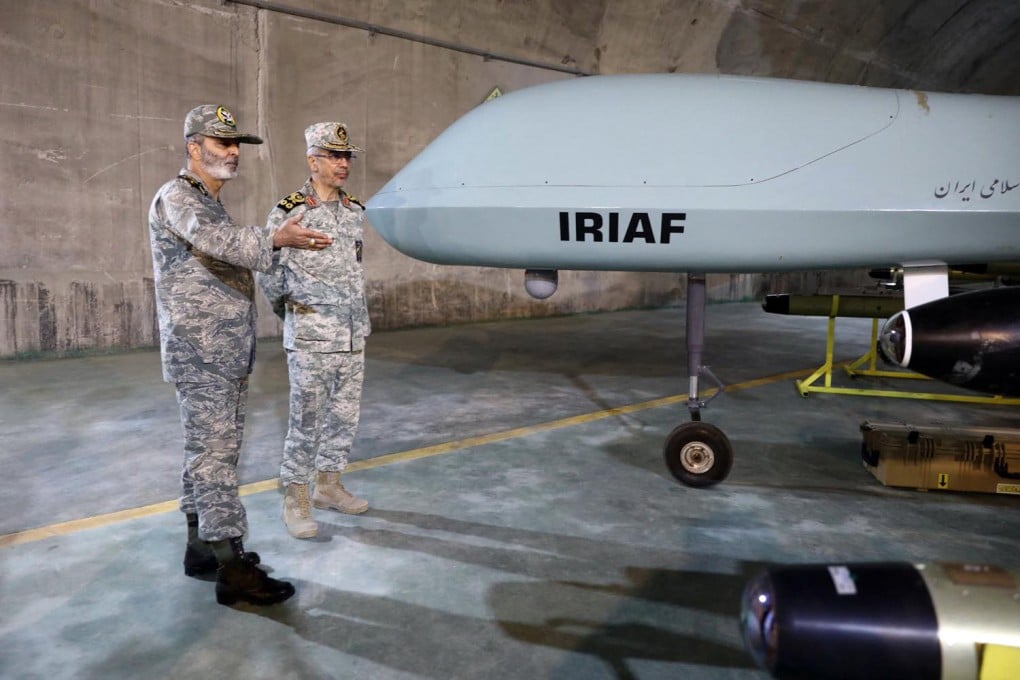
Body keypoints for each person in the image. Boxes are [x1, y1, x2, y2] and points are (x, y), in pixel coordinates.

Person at [148, 104, 333, 605]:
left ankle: (201, 550)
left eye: (236, 145)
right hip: (201, 354)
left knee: (205, 455)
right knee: (216, 457)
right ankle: (232, 568)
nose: (232, 153)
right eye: (221, 143)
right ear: (193, 147)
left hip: (222, 351)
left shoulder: (208, 201)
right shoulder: (178, 197)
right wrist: (275, 237)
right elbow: (218, 242)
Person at [257, 122, 371, 540]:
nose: (343, 164)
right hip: (311, 336)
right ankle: (297, 497)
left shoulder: (355, 211)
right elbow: (268, 273)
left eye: (347, 157)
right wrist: (296, 317)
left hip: (353, 333)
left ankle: (328, 485)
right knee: (306, 420)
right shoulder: (290, 212)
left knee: (344, 417)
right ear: (313, 160)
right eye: (334, 156)